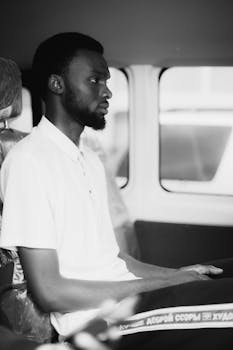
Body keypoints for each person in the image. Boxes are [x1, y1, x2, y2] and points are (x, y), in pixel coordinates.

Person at [0, 33, 233, 349]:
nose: (107, 91)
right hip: (99, 322)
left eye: (107, 81)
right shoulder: (28, 160)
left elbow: (115, 259)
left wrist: (177, 274)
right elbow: (50, 291)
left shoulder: (90, 159)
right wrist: (168, 282)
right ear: (57, 85)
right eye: (95, 81)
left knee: (222, 275)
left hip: (129, 302)